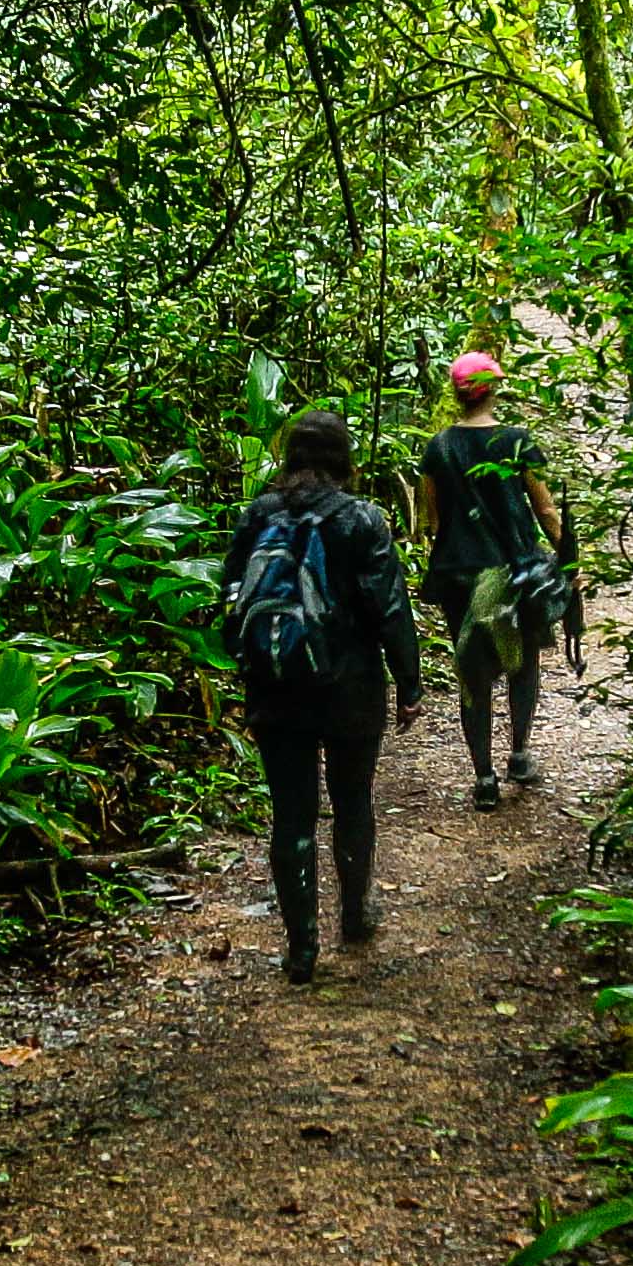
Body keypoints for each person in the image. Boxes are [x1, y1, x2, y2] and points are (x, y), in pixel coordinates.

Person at [218, 412, 423, 983]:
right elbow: (388, 607)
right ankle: (355, 915)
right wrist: (408, 681)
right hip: (350, 688)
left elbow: (231, 594)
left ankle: (301, 946)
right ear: (343, 457)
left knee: (292, 814)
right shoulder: (360, 518)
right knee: (353, 801)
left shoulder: (258, 514)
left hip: (276, 687)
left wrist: (248, 662)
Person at [419, 350, 573, 810]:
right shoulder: (517, 440)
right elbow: (545, 509)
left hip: (460, 574)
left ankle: (483, 776)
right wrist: (567, 558)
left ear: (456, 393)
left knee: (473, 671)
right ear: (495, 388)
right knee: (523, 662)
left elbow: (432, 518)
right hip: (516, 569)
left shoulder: (439, 447)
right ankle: (520, 755)